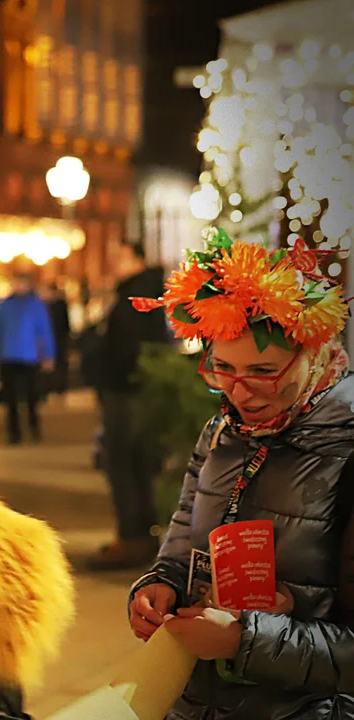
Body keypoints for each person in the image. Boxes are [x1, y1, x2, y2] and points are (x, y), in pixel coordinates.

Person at [126, 231, 354, 719]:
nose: (241, 392)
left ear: (315, 351)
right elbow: (183, 543)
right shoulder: (222, 432)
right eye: (222, 368)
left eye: (264, 370)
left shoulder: (347, 448)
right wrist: (158, 587)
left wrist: (245, 638)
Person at [88, 243, 171, 570]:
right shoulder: (139, 292)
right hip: (131, 389)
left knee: (124, 462)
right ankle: (138, 534)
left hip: (127, 391)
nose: (113, 263)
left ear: (137, 260)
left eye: (119, 256)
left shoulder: (136, 298)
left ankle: (133, 536)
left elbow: (130, 348)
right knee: (134, 463)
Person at [0, 271, 56, 444]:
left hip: (30, 358)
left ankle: (33, 428)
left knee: (32, 396)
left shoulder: (36, 305)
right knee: (11, 398)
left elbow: (44, 332)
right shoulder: (5, 306)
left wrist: (48, 354)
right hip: (9, 357)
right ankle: (14, 432)